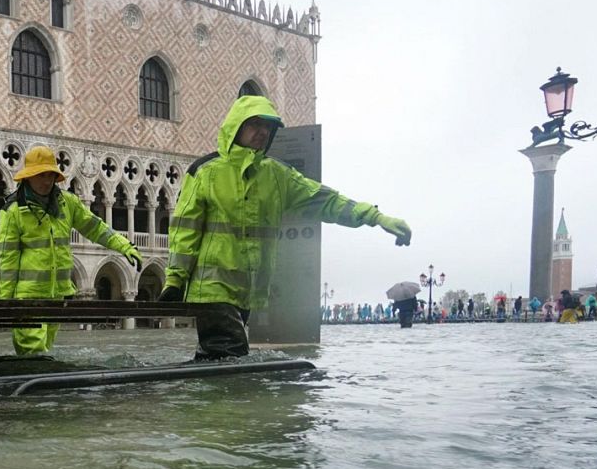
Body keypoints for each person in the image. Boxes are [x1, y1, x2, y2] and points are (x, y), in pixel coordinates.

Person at [161, 95, 412, 359]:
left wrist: (376, 217)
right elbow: (185, 229)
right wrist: (175, 280)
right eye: (254, 124)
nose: (261, 132)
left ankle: (197, 395)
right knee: (230, 357)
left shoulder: (278, 176)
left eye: (267, 127)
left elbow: (326, 201)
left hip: (247, 293)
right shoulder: (205, 171)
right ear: (236, 126)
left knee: (219, 359)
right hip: (210, 290)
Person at [0, 145, 142, 355]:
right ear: (28, 177)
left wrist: (124, 245)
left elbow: (95, 227)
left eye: (50, 175)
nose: (46, 181)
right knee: (33, 352)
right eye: (41, 175)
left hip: (58, 294)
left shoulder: (67, 202)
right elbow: (7, 259)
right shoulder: (13, 211)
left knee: (45, 349)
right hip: (27, 298)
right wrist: (5, 303)